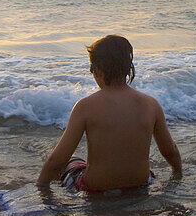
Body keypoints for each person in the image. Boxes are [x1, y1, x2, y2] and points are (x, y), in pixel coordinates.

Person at [37, 35, 182, 193]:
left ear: (97, 70)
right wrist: (177, 173)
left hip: (95, 188)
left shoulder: (85, 107)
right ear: (128, 68)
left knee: (71, 162)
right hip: (139, 184)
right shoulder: (151, 105)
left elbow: (57, 160)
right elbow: (170, 151)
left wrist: (41, 188)